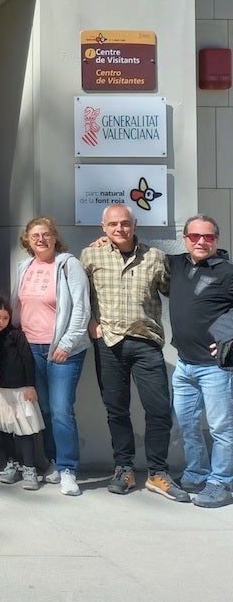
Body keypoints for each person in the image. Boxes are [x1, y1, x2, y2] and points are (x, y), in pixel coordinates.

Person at [80, 203, 189, 502]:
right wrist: (90, 322)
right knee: (116, 409)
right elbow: (79, 295)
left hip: (146, 342)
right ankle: (124, 467)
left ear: (135, 223)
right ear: (103, 228)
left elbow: (178, 294)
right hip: (109, 343)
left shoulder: (155, 257)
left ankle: (157, 472)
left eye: (125, 223)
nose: (119, 229)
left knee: (158, 410)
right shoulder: (90, 255)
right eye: (113, 224)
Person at [12, 216, 90, 497]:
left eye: (46, 235)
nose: (41, 240)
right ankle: (54, 461)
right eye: (35, 236)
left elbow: (81, 309)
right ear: (27, 241)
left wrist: (67, 343)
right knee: (43, 409)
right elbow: (18, 307)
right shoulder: (24, 267)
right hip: (30, 349)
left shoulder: (69, 265)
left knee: (60, 410)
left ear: (55, 237)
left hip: (62, 351)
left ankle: (69, 469)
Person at [166, 214, 233, 508]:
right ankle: (196, 473)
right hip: (184, 365)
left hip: (215, 369)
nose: (201, 242)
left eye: (208, 237)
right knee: (187, 424)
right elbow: (136, 250)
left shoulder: (227, 272)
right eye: (195, 236)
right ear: (185, 238)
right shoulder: (177, 264)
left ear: (216, 240)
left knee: (221, 428)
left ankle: (221, 482)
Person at [0, 295, 44, 491]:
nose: (1, 322)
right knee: (6, 429)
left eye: (5, 318)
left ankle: (29, 468)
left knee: (25, 431)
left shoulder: (16, 335)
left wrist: (30, 385)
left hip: (20, 391)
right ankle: (11, 464)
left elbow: (27, 360)